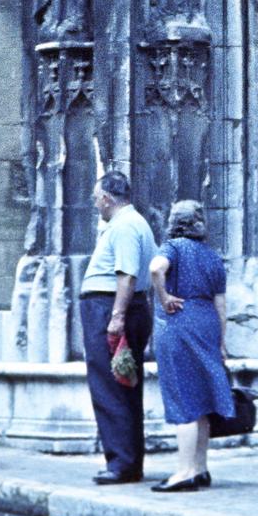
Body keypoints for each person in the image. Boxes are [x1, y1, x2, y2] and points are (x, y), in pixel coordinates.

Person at [148, 199, 232, 493]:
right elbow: (221, 306)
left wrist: (164, 297)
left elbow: (156, 269)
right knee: (203, 400)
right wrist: (221, 342)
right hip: (207, 322)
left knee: (183, 398)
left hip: (179, 324)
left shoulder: (172, 248)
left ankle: (183, 472)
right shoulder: (212, 257)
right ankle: (200, 468)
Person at [79, 170, 156, 484]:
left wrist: (116, 317)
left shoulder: (124, 226)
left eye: (97, 199)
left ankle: (121, 463)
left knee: (110, 386)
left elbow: (126, 275)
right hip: (118, 305)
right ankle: (127, 460)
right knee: (123, 384)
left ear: (107, 199)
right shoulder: (132, 223)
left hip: (109, 306)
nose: (96, 205)